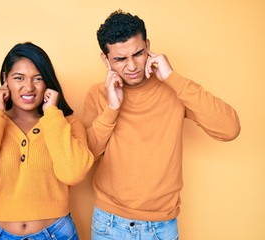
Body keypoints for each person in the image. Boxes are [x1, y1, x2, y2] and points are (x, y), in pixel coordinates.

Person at [82, 10, 241, 240]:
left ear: (148, 45)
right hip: (109, 223)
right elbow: (85, 158)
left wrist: (173, 78)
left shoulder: (174, 89)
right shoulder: (98, 94)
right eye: (120, 59)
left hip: (161, 227)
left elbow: (229, 129)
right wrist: (112, 109)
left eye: (138, 53)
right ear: (105, 59)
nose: (132, 66)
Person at [0, 42, 94, 240]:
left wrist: (52, 113)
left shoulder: (67, 124)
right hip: (0, 235)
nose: (29, 87)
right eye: (19, 78)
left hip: (57, 233)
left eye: (38, 78)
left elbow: (72, 174)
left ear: (47, 83)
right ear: (5, 79)